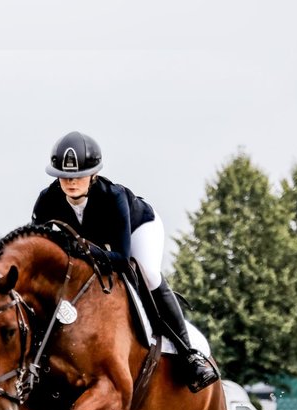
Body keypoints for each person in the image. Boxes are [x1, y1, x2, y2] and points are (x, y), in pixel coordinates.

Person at [31, 131, 219, 393]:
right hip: (94, 247)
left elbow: (120, 259)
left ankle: (190, 355)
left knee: (148, 273)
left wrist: (82, 249)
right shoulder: (47, 200)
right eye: (65, 176)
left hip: (138, 229)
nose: (71, 182)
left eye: (78, 176)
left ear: (93, 175)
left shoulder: (113, 197)